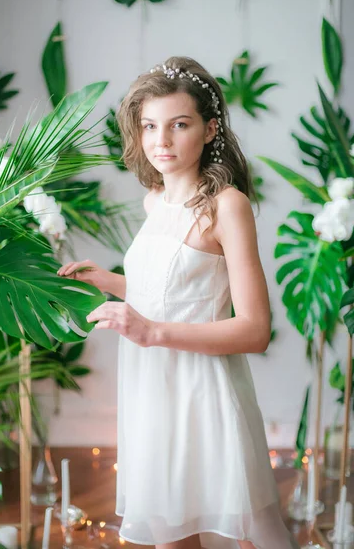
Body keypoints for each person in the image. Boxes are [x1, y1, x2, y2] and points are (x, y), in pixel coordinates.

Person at [57, 57, 300, 549]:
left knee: (253, 532)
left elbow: (254, 328)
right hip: (152, 393)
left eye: (179, 125)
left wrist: (152, 332)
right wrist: (111, 281)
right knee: (168, 534)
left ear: (210, 130)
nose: (160, 141)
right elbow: (174, 294)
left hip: (204, 394)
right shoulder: (153, 198)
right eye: (149, 126)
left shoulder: (226, 206)